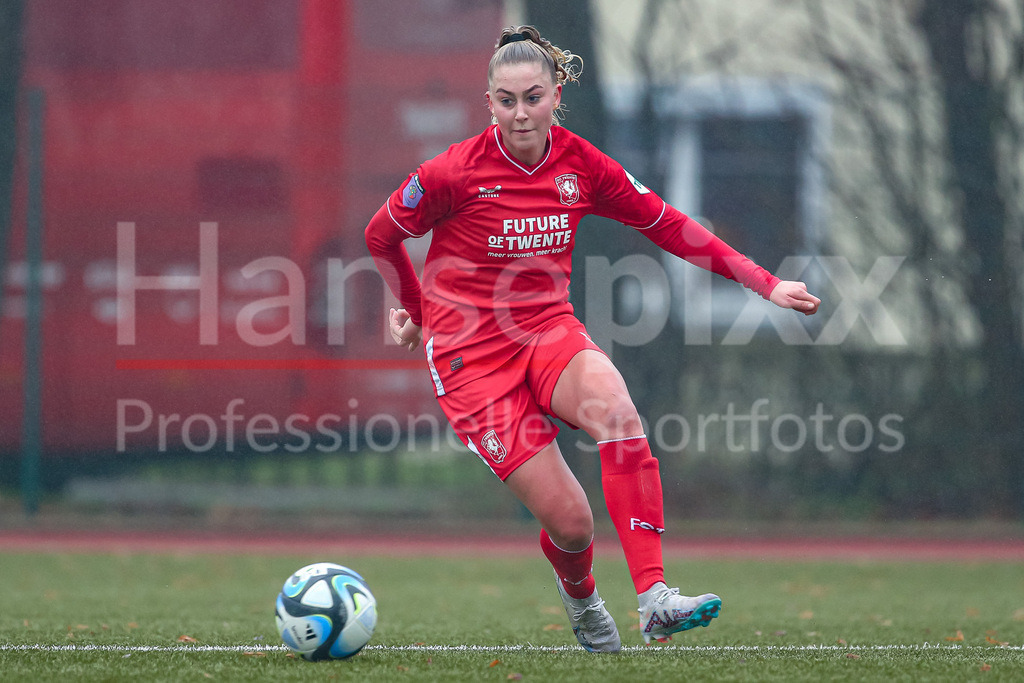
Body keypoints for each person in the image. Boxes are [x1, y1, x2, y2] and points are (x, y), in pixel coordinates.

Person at [365, 25, 820, 652]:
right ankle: (581, 601)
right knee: (573, 524)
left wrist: (763, 283)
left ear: (556, 95)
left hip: (548, 329)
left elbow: (670, 225)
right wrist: (416, 311)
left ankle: (655, 598)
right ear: (489, 103)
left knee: (616, 407)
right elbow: (380, 236)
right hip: (471, 358)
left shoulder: (582, 164)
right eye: (505, 100)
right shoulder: (452, 172)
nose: (520, 113)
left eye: (532, 97)